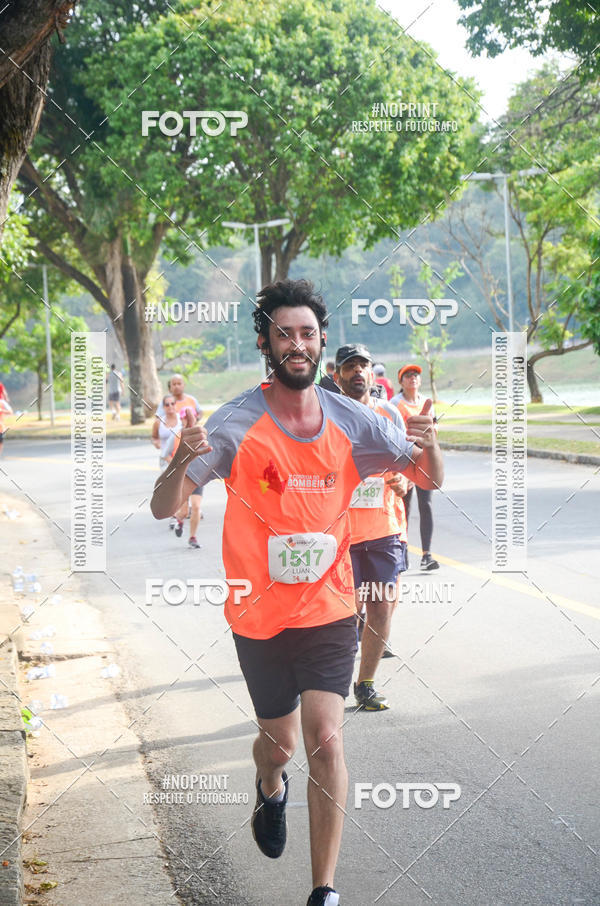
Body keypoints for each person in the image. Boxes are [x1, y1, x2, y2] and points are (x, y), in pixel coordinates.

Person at [150, 278, 443, 906]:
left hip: (331, 606)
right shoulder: (235, 423)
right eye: (284, 334)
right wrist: (179, 461)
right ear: (265, 343)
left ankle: (323, 892)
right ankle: (269, 784)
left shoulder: (354, 419)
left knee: (326, 739)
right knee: (280, 744)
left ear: (321, 341)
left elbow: (425, 477)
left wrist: (429, 439)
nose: (297, 344)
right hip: (258, 613)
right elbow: (163, 506)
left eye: (307, 333)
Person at [333, 345, 408, 711]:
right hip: (341, 533)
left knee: (380, 608)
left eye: (362, 365)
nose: (358, 372)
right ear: (337, 376)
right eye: (350, 367)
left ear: (371, 372)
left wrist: (405, 482)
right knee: (344, 613)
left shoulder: (389, 413)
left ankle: (365, 684)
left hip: (384, 529)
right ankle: (329, 685)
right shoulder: (327, 417)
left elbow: (408, 463)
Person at [391, 364, 439, 570]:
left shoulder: (426, 403)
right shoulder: (395, 404)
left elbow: (433, 430)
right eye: (408, 375)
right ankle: (403, 552)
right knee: (404, 507)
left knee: (426, 505)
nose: (413, 378)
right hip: (405, 461)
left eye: (416, 375)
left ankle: (427, 555)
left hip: (425, 460)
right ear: (401, 382)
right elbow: (393, 435)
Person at [157, 375, 204, 547]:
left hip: (197, 475)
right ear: (181, 419)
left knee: (196, 507)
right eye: (185, 418)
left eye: (191, 417)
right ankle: (178, 519)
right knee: (184, 511)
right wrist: (176, 465)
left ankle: (193, 538)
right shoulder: (176, 434)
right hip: (182, 476)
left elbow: (208, 453)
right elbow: (165, 454)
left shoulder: (201, 433)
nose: (188, 420)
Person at [0, 382, 13, 456]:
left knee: (1, 440)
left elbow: (10, 412)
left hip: (1, 427)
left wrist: (2, 410)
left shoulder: (1, 403)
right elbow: (4, 392)